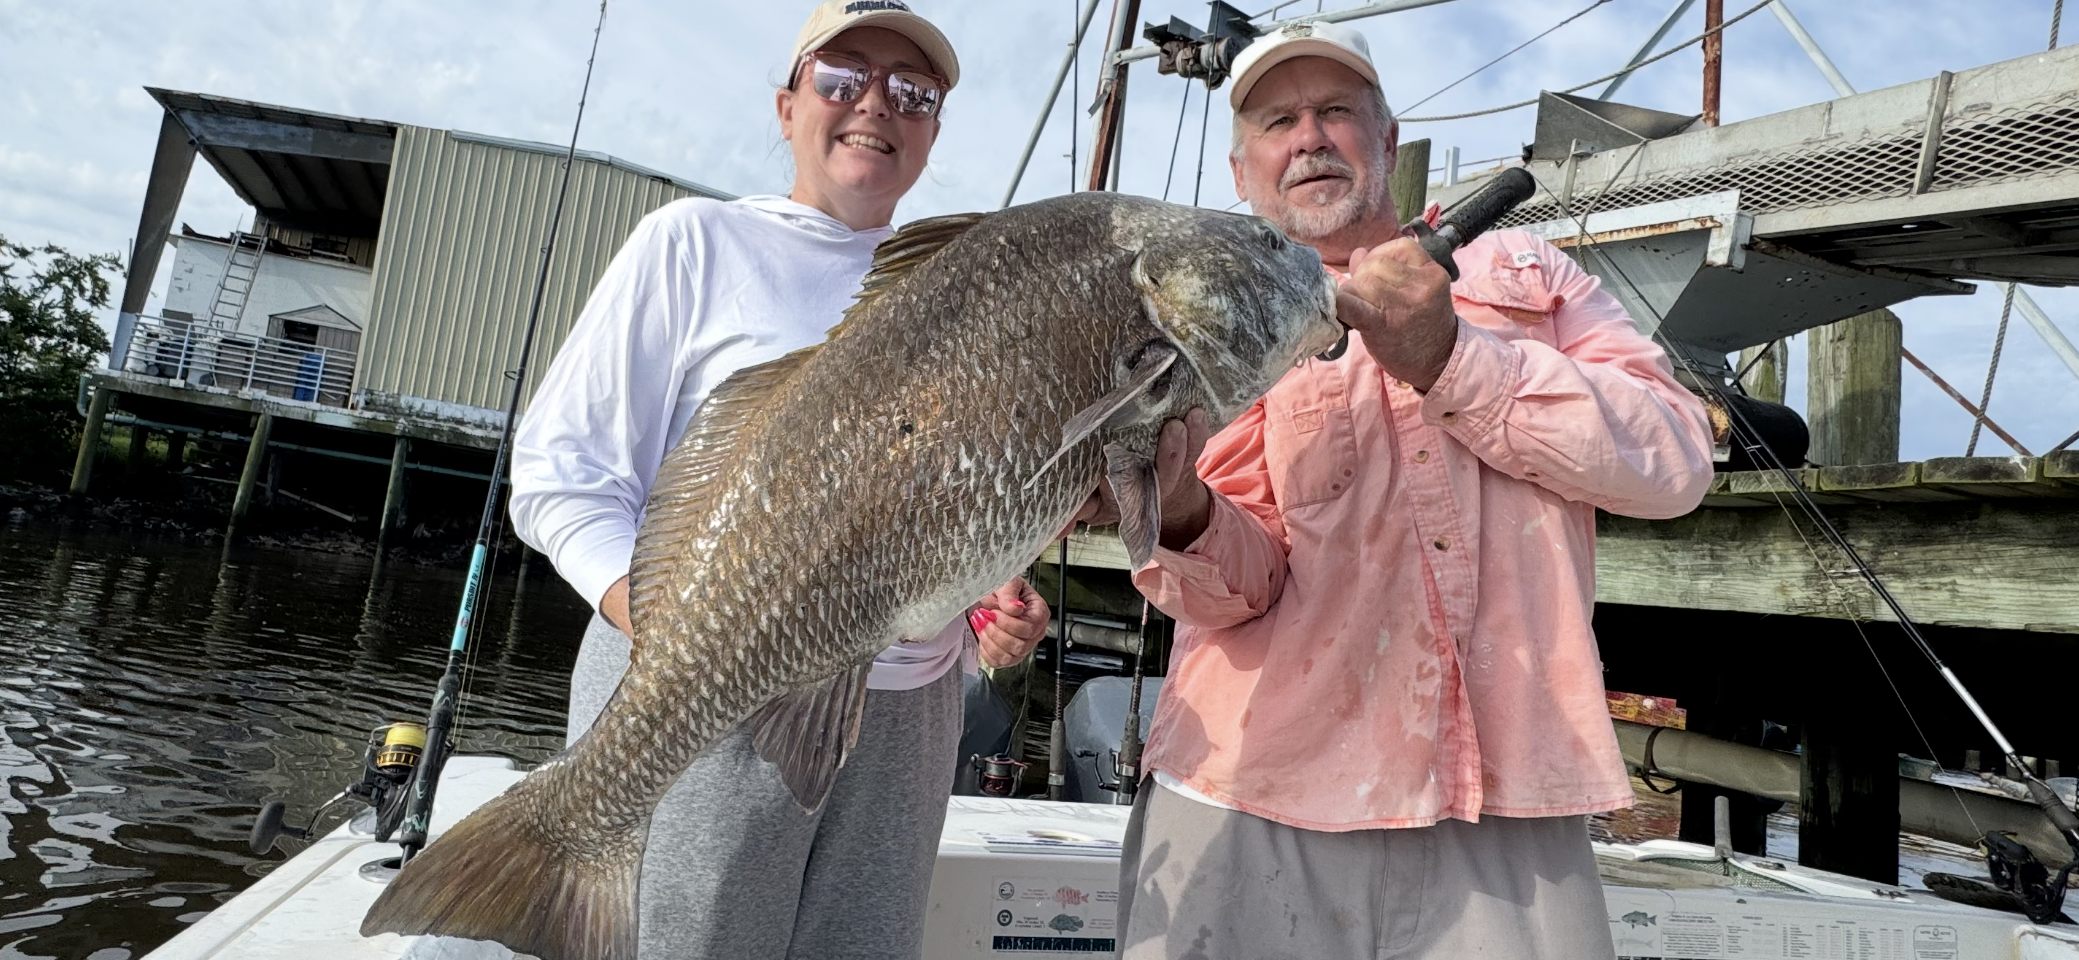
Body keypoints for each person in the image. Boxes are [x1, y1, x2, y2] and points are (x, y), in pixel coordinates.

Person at [1092, 20, 1717, 960]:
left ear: (1385, 145)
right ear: (1240, 171)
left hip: (1507, 814)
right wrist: (1177, 512)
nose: (1307, 136)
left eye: (1334, 111)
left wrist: (1453, 358)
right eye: (1277, 120)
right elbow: (1238, 588)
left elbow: (1673, 463)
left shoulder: (1530, 276)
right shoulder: (1209, 320)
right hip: (1252, 789)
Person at [508, 3, 1049, 957]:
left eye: (911, 92)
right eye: (843, 78)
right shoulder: (692, 242)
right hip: (704, 696)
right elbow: (564, 476)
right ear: (786, 105)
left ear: (931, 133)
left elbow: (931, 518)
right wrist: (695, 642)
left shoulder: (968, 287)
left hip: (905, 723)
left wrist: (980, 613)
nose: (875, 103)